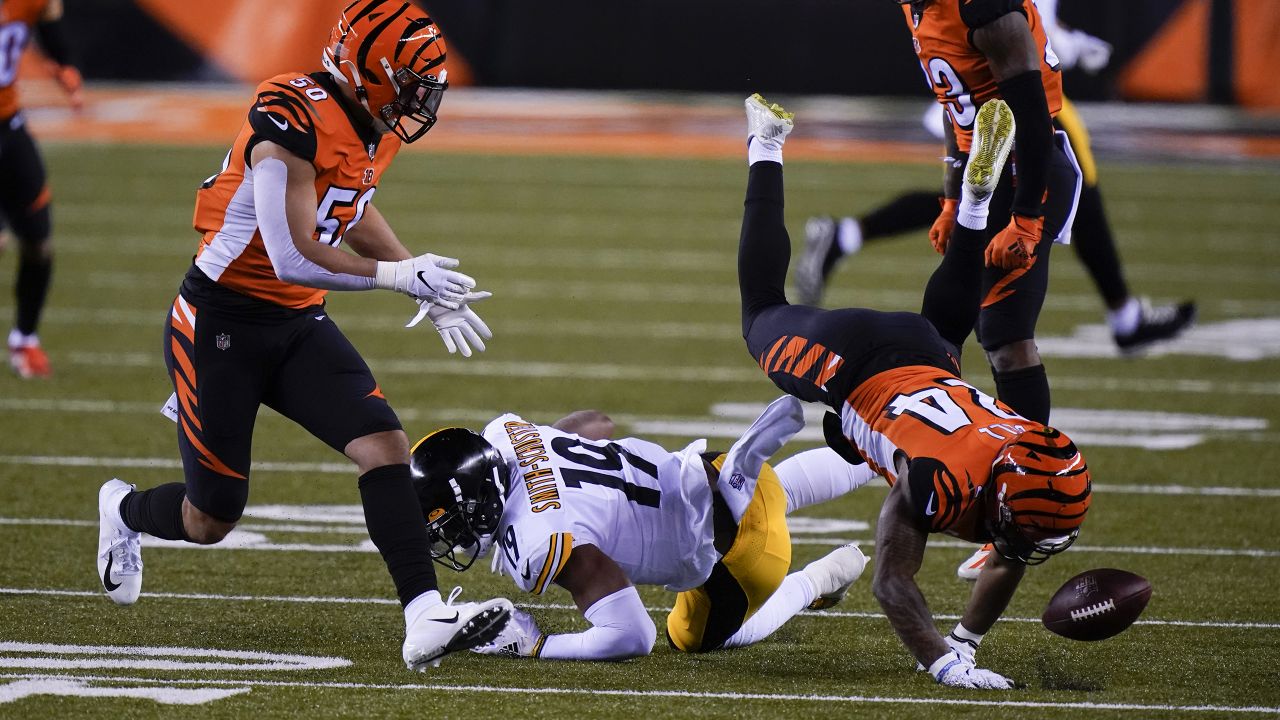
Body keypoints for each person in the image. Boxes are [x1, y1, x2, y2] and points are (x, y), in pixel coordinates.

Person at [94, 0, 511, 671]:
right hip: (220, 321)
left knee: (384, 445)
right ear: (369, 72)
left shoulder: (374, 124)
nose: (419, 101)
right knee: (213, 516)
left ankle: (424, 615)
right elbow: (290, 252)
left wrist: (419, 278)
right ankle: (125, 510)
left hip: (293, 321)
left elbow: (351, 204)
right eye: (408, 83)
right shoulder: (289, 119)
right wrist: (399, 277)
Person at [739, 93, 1091, 689]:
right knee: (760, 313)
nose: (1023, 545)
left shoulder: (1031, 452)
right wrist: (943, 661)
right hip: (850, 360)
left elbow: (1013, 544)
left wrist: (966, 640)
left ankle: (975, 209)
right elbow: (890, 581)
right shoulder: (940, 483)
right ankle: (765, 143)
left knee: (949, 332)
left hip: (928, 353)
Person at [794, 0, 1195, 355]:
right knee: (1012, 193)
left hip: (994, 82)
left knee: (1008, 190)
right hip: (989, 89)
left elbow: (1027, 23)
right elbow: (1010, 27)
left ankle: (849, 237)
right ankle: (1118, 315)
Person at [406, 399, 874, 661]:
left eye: (454, 520)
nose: (454, 537)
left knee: (690, 638)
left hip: (744, 556)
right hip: (708, 468)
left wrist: (538, 646)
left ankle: (816, 580)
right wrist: (557, 455)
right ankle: (885, 439)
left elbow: (632, 634)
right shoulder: (509, 435)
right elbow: (596, 422)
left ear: (482, 498)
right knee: (774, 491)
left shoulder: (537, 540)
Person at [0, 0, 83, 377]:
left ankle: (25, 338)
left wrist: (64, 65)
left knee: (38, 241)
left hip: (9, 127)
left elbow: (48, 21)